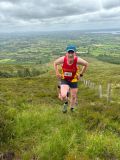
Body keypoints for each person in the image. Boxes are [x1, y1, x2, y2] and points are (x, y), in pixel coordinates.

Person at [54, 45, 88, 113]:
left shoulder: (77, 60)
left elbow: (86, 64)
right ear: (66, 53)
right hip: (65, 79)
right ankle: (66, 103)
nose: (70, 54)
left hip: (74, 80)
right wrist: (57, 73)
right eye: (69, 52)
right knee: (63, 95)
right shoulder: (63, 59)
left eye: (72, 52)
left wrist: (81, 74)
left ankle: (72, 109)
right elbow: (55, 63)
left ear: (74, 53)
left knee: (73, 96)